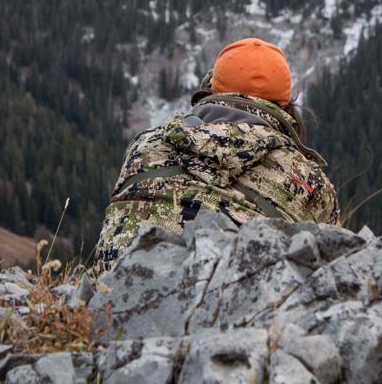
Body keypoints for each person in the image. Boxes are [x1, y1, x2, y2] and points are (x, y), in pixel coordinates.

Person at [96, 37, 339, 268]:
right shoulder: (311, 182)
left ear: (211, 89)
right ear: (285, 106)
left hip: (109, 300)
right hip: (228, 304)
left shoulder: (146, 143)